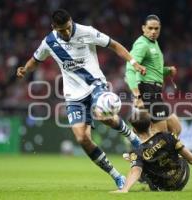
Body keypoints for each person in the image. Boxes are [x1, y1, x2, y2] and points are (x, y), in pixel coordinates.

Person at [16, 9, 147, 189]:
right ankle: (117, 176)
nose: (67, 32)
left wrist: (134, 63)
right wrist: (24, 69)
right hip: (73, 96)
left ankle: (133, 139)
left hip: (95, 85)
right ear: (54, 27)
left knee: (104, 114)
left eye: (68, 28)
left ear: (71, 21)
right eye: (62, 30)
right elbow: (35, 60)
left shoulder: (87, 31)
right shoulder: (49, 42)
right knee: (81, 138)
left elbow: (114, 45)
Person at [113, 110, 192, 192]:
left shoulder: (137, 151)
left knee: (137, 162)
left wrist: (125, 189)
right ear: (151, 124)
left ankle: (140, 162)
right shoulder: (169, 136)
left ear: (134, 129)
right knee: (175, 152)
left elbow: (135, 172)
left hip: (162, 187)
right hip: (182, 177)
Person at [125, 14, 181, 136]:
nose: (153, 31)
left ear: (160, 28)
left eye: (156, 29)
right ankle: (147, 153)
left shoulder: (153, 44)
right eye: (150, 28)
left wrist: (167, 70)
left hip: (155, 92)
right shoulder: (142, 44)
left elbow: (154, 70)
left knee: (175, 128)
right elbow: (130, 68)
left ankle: (161, 153)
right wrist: (137, 96)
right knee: (161, 134)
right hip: (147, 91)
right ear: (143, 28)